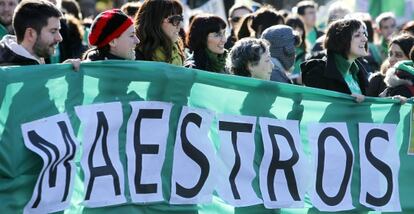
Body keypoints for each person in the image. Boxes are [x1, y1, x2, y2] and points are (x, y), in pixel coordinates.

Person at [301, 18, 370, 102]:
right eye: (357, 35)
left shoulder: (360, 73)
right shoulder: (318, 73)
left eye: (364, 34)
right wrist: (346, 102)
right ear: (342, 40)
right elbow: (316, 108)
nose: (365, 39)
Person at [0, 0, 79, 68]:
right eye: (53, 31)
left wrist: (62, 73)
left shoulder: (32, 60)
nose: (59, 38)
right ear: (31, 34)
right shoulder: (6, 70)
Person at [134, 0, 185, 66]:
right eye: (175, 19)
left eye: (181, 19)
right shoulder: (135, 56)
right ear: (156, 21)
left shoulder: (177, 52)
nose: (181, 25)